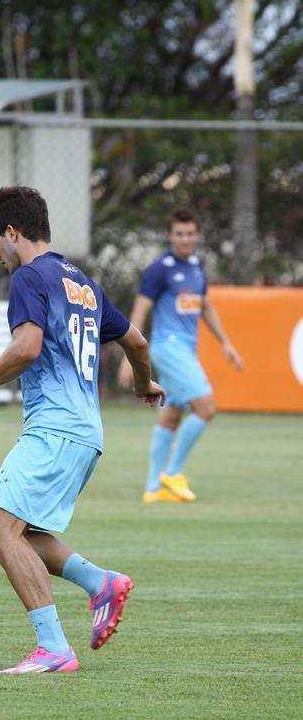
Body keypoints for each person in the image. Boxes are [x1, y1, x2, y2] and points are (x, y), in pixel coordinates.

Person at [0, 186, 165, 675]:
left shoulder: (30, 277)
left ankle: (53, 649)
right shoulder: (81, 283)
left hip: (54, 429)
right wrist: (142, 385)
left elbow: (26, 348)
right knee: (23, 531)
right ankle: (101, 583)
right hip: (86, 434)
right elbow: (136, 340)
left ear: (12, 232)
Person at [118, 209, 242, 503]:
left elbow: (206, 306)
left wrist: (226, 342)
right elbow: (141, 309)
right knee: (206, 407)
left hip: (187, 348)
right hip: (168, 346)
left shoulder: (197, 266)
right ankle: (172, 473)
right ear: (170, 236)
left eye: (189, 233)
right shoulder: (160, 268)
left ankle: (152, 488)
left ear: (197, 235)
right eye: (179, 234)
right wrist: (128, 354)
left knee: (171, 416)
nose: (185, 239)